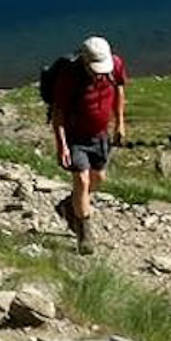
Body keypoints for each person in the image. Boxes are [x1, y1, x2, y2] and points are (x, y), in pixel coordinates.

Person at [49, 34, 127, 254]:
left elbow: (120, 89)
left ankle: (68, 205)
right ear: (85, 61)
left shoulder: (115, 66)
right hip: (75, 137)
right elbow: (59, 112)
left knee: (98, 178)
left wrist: (120, 122)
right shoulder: (70, 77)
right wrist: (62, 145)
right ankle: (84, 235)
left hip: (100, 135)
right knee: (82, 181)